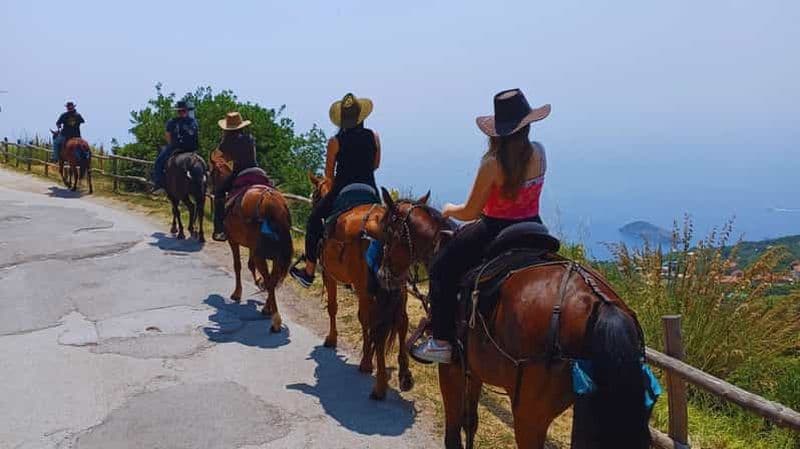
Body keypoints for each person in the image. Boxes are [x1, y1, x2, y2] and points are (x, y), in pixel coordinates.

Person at [412, 88, 551, 364]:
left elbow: (470, 212)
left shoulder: (492, 163)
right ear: (527, 125)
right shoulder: (539, 152)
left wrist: (450, 208)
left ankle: (441, 341)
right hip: (534, 227)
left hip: (495, 230)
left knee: (441, 267)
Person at [290, 93, 381, 287]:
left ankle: (308, 272)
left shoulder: (335, 141)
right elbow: (376, 165)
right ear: (361, 117)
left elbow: (329, 175)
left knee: (314, 220)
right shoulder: (374, 136)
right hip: (370, 189)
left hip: (343, 189)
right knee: (386, 225)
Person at [212, 112, 258, 242]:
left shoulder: (227, 142)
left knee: (219, 194)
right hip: (256, 170)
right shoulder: (250, 138)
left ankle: (219, 229)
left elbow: (221, 158)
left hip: (239, 173)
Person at [151, 100, 199, 193]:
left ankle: (159, 184)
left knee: (158, 162)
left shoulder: (172, 122)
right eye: (180, 111)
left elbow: (168, 135)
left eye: (182, 111)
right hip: (192, 149)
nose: (181, 113)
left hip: (176, 147)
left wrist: (171, 145)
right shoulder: (193, 121)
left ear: (186, 111)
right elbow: (196, 135)